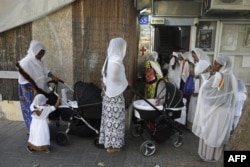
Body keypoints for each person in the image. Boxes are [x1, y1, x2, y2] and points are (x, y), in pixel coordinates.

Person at [192, 55, 237, 162]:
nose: (214, 65)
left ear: (223, 65)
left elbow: (206, 90)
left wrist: (209, 77)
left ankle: (206, 156)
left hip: (215, 111)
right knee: (218, 133)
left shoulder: (219, 76)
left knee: (209, 131)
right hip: (224, 111)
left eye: (216, 64)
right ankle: (215, 156)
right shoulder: (231, 76)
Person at [16, 40, 59, 134]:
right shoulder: (25, 63)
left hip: (38, 88)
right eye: (39, 54)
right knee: (31, 109)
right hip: (27, 89)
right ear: (34, 51)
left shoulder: (39, 61)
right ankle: (32, 131)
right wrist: (33, 89)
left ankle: (39, 128)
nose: (41, 56)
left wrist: (52, 76)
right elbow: (23, 79)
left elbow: (45, 70)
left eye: (42, 54)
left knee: (40, 108)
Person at [98, 37, 128, 153]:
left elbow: (105, 75)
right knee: (116, 121)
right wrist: (124, 82)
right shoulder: (116, 60)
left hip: (107, 95)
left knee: (109, 121)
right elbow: (114, 77)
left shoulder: (108, 59)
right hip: (115, 97)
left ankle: (108, 145)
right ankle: (113, 147)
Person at [186, 48, 211, 130]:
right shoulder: (199, 63)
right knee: (194, 105)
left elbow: (194, 74)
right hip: (196, 86)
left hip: (201, 87)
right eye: (193, 56)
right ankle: (193, 124)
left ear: (198, 54)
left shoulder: (203, 63)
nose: (194, 58)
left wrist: (191, 65)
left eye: (194, 56)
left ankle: (198, 126)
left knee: (198, 107)